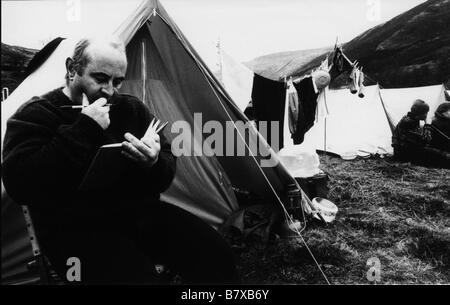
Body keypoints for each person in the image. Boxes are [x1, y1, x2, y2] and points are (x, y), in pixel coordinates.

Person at [2, 37, 240, 284]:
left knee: (215, 255)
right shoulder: (36, 115)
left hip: (135, 214)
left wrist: (154, 162)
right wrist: (84, 128)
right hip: (73, 230)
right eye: (101, 79)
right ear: (72, 69)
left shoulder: (130, 109)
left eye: (117, 82)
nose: (109, 90)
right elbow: (20, 184)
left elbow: (165, 171)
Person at [392, 99, 449, 168]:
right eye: (425, 113)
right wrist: (427, 125)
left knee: (441, 154)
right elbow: (424, 141)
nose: (426, 115)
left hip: (409, 151)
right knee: (443, 157)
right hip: (405, 155)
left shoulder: (411, 119)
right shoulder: (409, 122)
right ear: (420, 113)